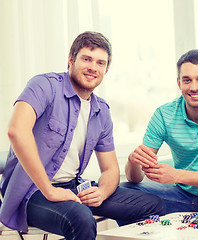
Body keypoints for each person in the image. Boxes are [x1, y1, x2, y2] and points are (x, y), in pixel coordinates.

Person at [0, 31, 165, 240]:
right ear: (71, 59)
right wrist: (51, 191)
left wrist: (102, 192)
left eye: (100, 63)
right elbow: (16, 130)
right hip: (32, 192)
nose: (92, 67)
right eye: (86, 59)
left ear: (106, 69)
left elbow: (110, 168)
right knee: (81, 218)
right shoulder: (44, 85)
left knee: (152, 205)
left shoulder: (101, 110)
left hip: (72, 187)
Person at [121, 49, 198, 215]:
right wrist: (132, 161)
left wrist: (176, 176)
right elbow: (136, 178)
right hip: (180, 196)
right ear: (179, 83)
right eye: (187, 80)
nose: (194, 87)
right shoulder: (164, 114)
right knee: (123, 191)